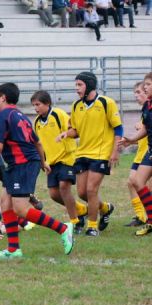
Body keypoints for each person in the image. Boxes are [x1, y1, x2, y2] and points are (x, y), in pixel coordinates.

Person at [0, 82, 74, 259]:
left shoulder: (2, 115)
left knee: (20, 209)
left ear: (3, 97)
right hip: (21, 163)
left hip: (22, 163)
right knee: (5, 202)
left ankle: (63, 229)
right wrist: (43, 162)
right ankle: (13, 249)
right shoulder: (21, 116)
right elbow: (37, 142)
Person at [56, 72, 122, 237]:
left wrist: (115, 151)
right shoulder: (76, 106)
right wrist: (67, 134)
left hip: (101, 153)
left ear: (90, 86)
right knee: (82, 192)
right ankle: (106, 208)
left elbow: (118, 128)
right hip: (82, 153)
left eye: (80, 85)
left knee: (91, 190)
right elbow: (76, 130)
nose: (76, 88)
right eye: (76, 84)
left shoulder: (107, 103)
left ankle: (92, 227)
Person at [31, 90, 87, 231]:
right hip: (51, 162)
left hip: (67, 157)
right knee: (54, 195)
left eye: (38, 104)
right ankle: (81, 210)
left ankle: (75, 222)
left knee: (64, 187)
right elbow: (38, 144)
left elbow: (72, 130)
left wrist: (66, 134)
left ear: (47, 103)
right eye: (34, 105)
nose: (35, 108)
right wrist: (42, 161)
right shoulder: (37, 122)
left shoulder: (58, 114)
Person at [120, 72, 152, 236]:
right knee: (137, 182)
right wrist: (131, 140)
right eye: (144, 84)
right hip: (150, 150)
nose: (145, 87)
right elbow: (146, 128)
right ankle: (150, 220)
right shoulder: (147, 106)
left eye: (148, 84)